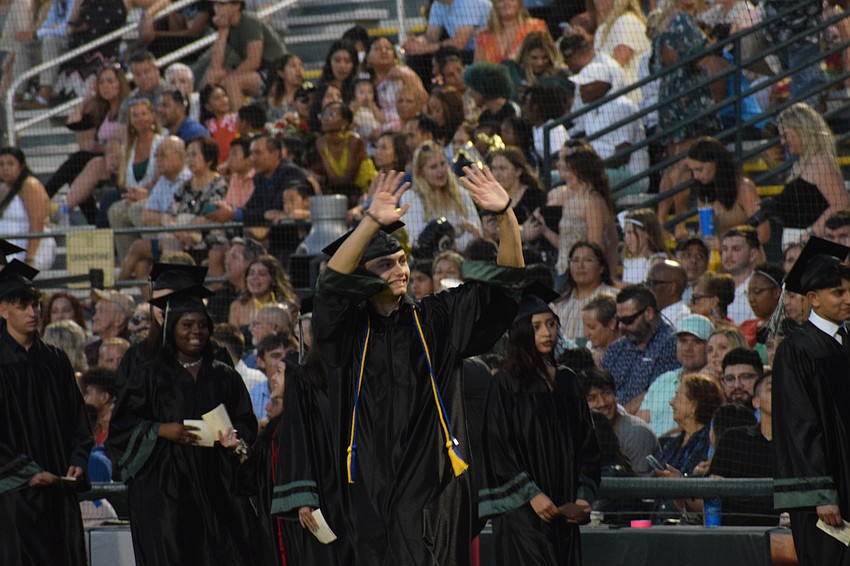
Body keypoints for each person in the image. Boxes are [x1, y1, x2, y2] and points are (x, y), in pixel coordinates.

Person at [312, 167, 524, 565]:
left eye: (402, 260)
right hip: (366, 488)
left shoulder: (439, 319)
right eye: (385, 265)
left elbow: (505, 287)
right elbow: (329, 290)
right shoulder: (347, 332)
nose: (400, 270)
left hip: (432, 487)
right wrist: (371, 221)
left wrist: (506, 217)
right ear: (362, 277)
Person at [108, 283, 273, 565]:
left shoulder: (223, 375)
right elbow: (121, 428)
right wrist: (161, 430)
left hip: (217, 484)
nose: (195, 331)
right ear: (171, 328)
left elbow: (245, 422)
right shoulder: (149, 376)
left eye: (201, 325)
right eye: (186, 324)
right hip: (165, 489)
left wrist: (236, 439)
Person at [480, 286, 601, 565]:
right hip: (523, 515)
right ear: (521, 332)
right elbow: (498, 449)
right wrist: (531, 495)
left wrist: (583, 498)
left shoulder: (568, 381)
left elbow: (588, 445)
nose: (547, 332)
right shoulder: (506, 384)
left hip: (564, 512)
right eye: (536, 326)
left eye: (551, 324)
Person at [0, 260, 92, 566]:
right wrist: (26, 472)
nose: (33, 312)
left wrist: (77, 460)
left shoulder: (54, 360)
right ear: (3, 311)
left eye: (36, 304)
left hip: (57, 493)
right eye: (23, 305)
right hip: (13, 497)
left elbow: (78, 421)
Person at [773, 237, 850, 565]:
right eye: (839, 293)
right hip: (828, 497)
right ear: (813, 298)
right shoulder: (797, 349)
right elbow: (799, 426)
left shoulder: (845, 342)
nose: (848, 299)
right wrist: (820, 493)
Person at [652, 0, 721, 236]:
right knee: (684, 162)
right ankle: (680, 224)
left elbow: (657, 63)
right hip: (688, 98)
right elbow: (696, 58)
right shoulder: (681, 19)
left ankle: (660, 221)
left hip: (670, 95)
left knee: (673, 162)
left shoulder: (665, 19)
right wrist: (712, 43)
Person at [45, 65, 129, 223]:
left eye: (110, 81)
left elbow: (127, 140)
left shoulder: (128, 108)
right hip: (101, 160)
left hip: (120, 159)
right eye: (102, 82)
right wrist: (86, 100)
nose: (105, 86)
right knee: (76, 171)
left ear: (120, 83)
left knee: (79, 159)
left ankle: (45, 197)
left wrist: (101, 148)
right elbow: (73, 124)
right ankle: (93, 219)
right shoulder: (102, 109)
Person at [707, 370, 779, 526]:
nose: (781, 391)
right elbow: (712, 488)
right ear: (756, 402)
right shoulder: (733, 438)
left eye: (785, 387)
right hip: (734, 532)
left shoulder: (799, 444)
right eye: (773, 388)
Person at [773, 103, 850, 246]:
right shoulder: (803, 162)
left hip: (809, 245)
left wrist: (811, 235)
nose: (783, 142)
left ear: (801, 130)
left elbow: (842, 204)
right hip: (794, 243)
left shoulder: (820, 160)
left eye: (786, 135)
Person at [542, 142, 618, 277]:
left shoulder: (593, 201)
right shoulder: (571, 200)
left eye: (569, 171)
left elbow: (596, 247)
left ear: (582, 173)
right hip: (562, 271)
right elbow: (565, 244)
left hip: (582, 275)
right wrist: (545, 231)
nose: (565, 175)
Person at [602, 284, 680, 414]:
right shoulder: (616, 348)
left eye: (628, 320)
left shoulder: (671, 343)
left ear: (649, 313)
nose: (621, 326)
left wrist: (617, 419)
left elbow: (654, 394)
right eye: (618, 320)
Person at [196, 0, 287, 112]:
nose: (217, 8)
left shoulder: (249, 22)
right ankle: (206, 119)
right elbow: (216, 65)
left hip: (275, 70)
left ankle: (239, 123)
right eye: (215, 4)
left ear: (236, 6)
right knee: (214, 74)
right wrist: (222, 30)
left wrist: (229, 78)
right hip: (256, 71)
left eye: (222, 4)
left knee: (232, 82)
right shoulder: (228, 25)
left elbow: (253, 61)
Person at [638, 314, 714, 436]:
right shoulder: (663, 379)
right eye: (683, 341)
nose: (688, 348)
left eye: (697, 341)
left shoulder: (710, 387)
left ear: (709, 347)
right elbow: (641, 423)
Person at [685, 137, 770, 245]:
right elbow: (704, 231)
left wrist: (728, 248)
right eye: (692, 171)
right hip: (718, 259)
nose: (696, 176)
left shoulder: (744, 188)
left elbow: (763, 234)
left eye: (700, 169)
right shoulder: (703, 193)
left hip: (747, 257)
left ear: (716, 163)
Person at [401, 141, 482, 252]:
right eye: (433, 167)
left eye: (443, 164)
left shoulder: (461, 193)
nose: (440, 171)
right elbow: (417, 240)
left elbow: (477, 233)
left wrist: (450, 242)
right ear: (420, 172)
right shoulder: (410, 198)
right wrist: (455, 233)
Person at [580, 366, 660, 475]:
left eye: (607, 393)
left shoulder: (637, 433)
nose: (602, 403)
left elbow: (639, 486)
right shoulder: (583, 431)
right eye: (592, 398)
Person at [654, 373, 725, 475]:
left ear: (694, 406)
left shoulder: (708, 442)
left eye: (677, 398)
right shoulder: (673, 443)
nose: (671, 402)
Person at [0, 147, 55, 270]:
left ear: (21, 166)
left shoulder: (30, 185)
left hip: (32, 250)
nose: (5, 168)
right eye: (1, 164)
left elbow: (37, 223)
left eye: (10, 163)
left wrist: (29, 258)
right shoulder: (3, 189)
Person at [551, 241, 617, 341]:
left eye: (588, 260)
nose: (580, 266)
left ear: (601, 268)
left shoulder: (613, 297)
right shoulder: (558, 302)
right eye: (575, 260)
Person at [593, 0, 650, 97]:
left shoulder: (627, 20)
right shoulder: (601, 30)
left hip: (630, 97)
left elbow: (617, 66)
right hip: (609, 97)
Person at [474, 0, 547, 63]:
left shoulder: (535, 27)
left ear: (519, 3)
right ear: (495, 5)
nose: (507, 3)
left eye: (512, 0)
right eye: (501, 0)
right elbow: (476, 70)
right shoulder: (484, 35)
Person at [721, 226, 760, 325]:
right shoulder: (716, 287)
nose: (728, 255)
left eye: (736, 249)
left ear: (752, 255)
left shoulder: (760, 291)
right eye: (725, 249)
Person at [620, 208, 667, 285]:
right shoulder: (628, 260)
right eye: (625, 233)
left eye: (630, 232)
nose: (626, 238)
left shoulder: (656, 262)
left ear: (647, 233)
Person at [741, 263, 783, 348]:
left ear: (776, 292)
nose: (751, 299)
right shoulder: (745, 326)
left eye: (757, 291)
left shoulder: (786, 328)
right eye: (749, 292)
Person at [646, 259, 691, 327]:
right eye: (647, 283)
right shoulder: (654, 313)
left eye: (653, 283)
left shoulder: (682, 318)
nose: (648, 288)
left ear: (672, 288)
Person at [581, 293, 619, 366]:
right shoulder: (588, 351)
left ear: (611, 323)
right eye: (585, 327)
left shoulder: (629, 353)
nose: (586, 334)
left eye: (592, 327)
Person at [265, 54, 305, 123]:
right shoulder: (273, 100)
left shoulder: (309, 95)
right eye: (293, 66)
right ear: (281, 73)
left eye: (301, 65)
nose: (299, 69)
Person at [675, 237, 709, 303]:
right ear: (676, 259)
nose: (693, 261)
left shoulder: (710, 293)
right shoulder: (667, 289)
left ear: (707, 263)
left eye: (700, 256)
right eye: (687, 255)